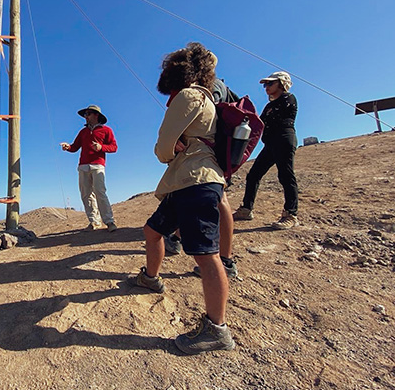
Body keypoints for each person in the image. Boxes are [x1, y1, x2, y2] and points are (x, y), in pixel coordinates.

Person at [127, 42, 235, 354]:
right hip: (187, 181)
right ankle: (150, 278)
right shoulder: (206, 97)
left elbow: (163, 146)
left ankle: (217, 329)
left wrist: (167, 150)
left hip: (195, 181)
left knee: (205, 255)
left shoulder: (189, 95)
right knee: (152, 231)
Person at [166, 77, 238, 279]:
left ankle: (225, 260)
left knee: (220, 198)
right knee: (215, 197)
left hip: (210, 154)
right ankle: (177, 237)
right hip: (213, 152)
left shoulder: (211, 87)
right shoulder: (213, 86)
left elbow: (208, 117)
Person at [233, 71, 299, 230]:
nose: (266, 87)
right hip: (270, 143)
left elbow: (271, 119)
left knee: (285, 175)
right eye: (265, 84)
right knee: (254, 174)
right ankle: (246, 209)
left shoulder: (288, 98)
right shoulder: (269, 105)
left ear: (282, 83)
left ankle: (291, 214)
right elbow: (259, 123)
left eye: (270, 83)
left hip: (284, 140)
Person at [60, 105, 118, 232]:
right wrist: (67, 147)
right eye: (85, 114)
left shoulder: (106, 130)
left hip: (98, 165)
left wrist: (101, 147)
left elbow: (114, 147)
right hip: (83, 166)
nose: (85, 117)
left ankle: (109, 221)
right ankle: (94, 222)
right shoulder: (83, 132)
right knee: (86, 194)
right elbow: (74, 147)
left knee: (100, 192)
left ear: (96, 115)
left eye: (88, 114)